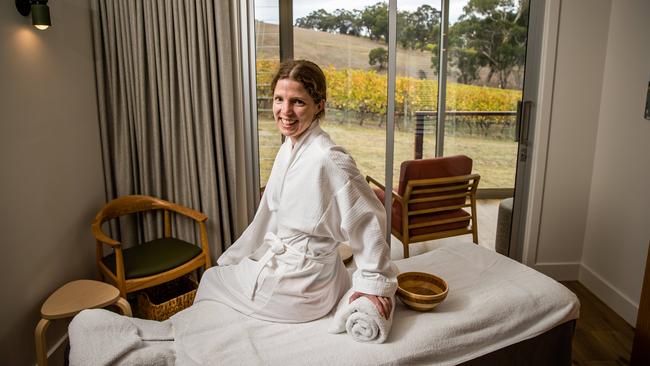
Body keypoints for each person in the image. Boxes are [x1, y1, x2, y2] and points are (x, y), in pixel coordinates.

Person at [194, 60, 397, 323]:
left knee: (211, 279)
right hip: (315, 275)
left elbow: (370, 217)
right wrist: (246, 254)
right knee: (228, 269)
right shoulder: (290, 146)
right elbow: (271, 212)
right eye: (279, 99)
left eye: (298, 102)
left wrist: (372, 283)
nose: (285, 111)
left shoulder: (328, 158)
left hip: (303, 286)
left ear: (319, 106)